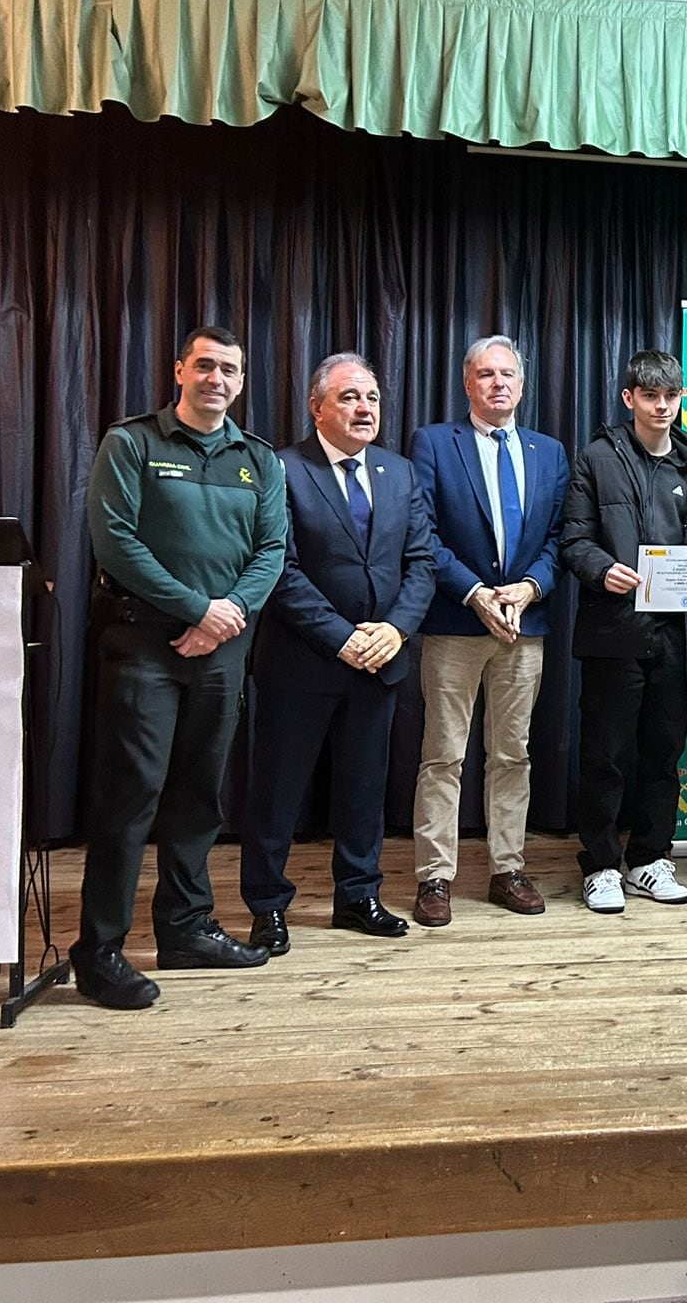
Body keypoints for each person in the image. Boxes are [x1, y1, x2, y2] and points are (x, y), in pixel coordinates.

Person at [73, 325, 287, 1009]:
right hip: (142, 644)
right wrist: (199, 608)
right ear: (179, 371)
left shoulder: (258, 459)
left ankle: (186, 927)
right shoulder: (132, 443)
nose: (216, 378)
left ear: (242, 381)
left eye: (229, 368)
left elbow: (272, 548)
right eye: (205, 365)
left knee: (200, 794)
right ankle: (99, 949)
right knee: (129, 797)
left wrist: (226, 615)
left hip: (223, 649)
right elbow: (116, 544)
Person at [238, 354, 436, 954]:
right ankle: (268, 906)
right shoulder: (283, 468)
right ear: (317, 406)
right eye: (349, 397)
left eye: (372, 397)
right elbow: (280, 566)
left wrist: (395, 631)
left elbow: (421, 562)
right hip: (302, 661)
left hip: (380, 661)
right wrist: (342, 636)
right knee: (277, 790)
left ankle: (358, 896)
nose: (364, 408)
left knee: (363, 786)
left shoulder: (399, 472)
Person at [561, 349, 687, 914]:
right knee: (607, 755)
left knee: (664, 755)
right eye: (651, 396)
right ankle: (600, 865)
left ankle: (649, 859)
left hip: (681, 636)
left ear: (681, 398)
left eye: (671, 396)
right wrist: (599, 567)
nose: (662, 407)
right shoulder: (597, 458)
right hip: (616, 631)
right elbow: (574, 540)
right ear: (629, 399)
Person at [409, 336, 568, 927]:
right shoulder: (433, 443)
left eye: (507, 375)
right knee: (443, 755)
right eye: (485, 375)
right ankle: (434, 876)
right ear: (467, 384)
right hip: (456, 621)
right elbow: (422, 532)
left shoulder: (549, 451)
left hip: (524, 627)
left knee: (513, 754)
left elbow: (558, 537)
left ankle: (508, 867)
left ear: (521, 386)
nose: (498, 383)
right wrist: (474, 592)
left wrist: (529, 588)